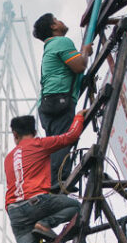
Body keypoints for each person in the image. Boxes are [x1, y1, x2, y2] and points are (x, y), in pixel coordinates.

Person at [4, 112, 84, 243]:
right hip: (36, 202)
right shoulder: (39, 144)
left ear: (15, 135)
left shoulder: (9, 158)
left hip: (14, 211)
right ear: (34, 131)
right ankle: (46, 223)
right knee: (75, 207)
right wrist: (79, 117)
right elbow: (71, 137)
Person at [32, 13, 92, 185]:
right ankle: (57, 183)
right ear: (53, 27)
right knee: (63, 141)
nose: (61, 21)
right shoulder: (61, 42)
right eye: (56, 20)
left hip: (47, 103)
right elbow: (79, 66)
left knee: (55, 144)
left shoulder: (50, 47)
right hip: (59, 99)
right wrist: (85, 53)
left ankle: (55, 181)